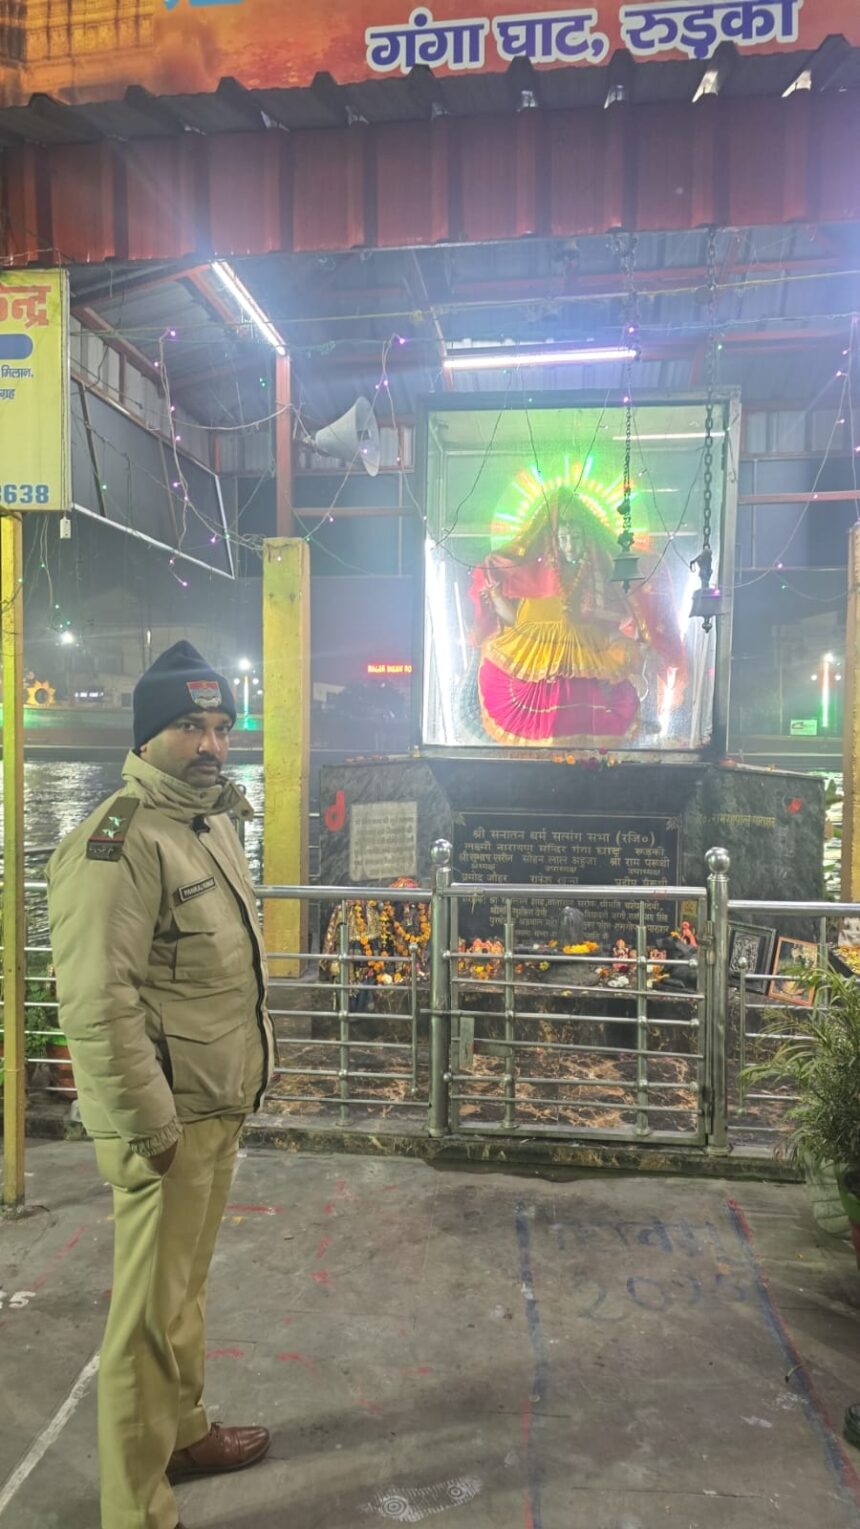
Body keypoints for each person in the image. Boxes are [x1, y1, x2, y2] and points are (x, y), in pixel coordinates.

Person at [47, 642, 276, 1529]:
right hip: (165, 1120)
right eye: (190, 726)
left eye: (221, 726)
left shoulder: (209, 823)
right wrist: (151, 1125)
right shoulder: (119, 841)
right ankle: (136, 1509)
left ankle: (183, 1433)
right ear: (147, 736)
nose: (211, 743)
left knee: (184, 1293)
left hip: (214, 1103)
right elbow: (97, 1002)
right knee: (146, 1318)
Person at [468, 486, 686, 745]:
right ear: (553, 540)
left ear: (587, 538)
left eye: (575, 538)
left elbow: (613, 622)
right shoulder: (534, 578)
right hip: (539, 661)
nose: (570, 546)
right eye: (563, 538)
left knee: (598, 709)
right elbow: (515, 622)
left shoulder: (596, 577)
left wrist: (636, 641)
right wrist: (494, 593)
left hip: (589, 658)